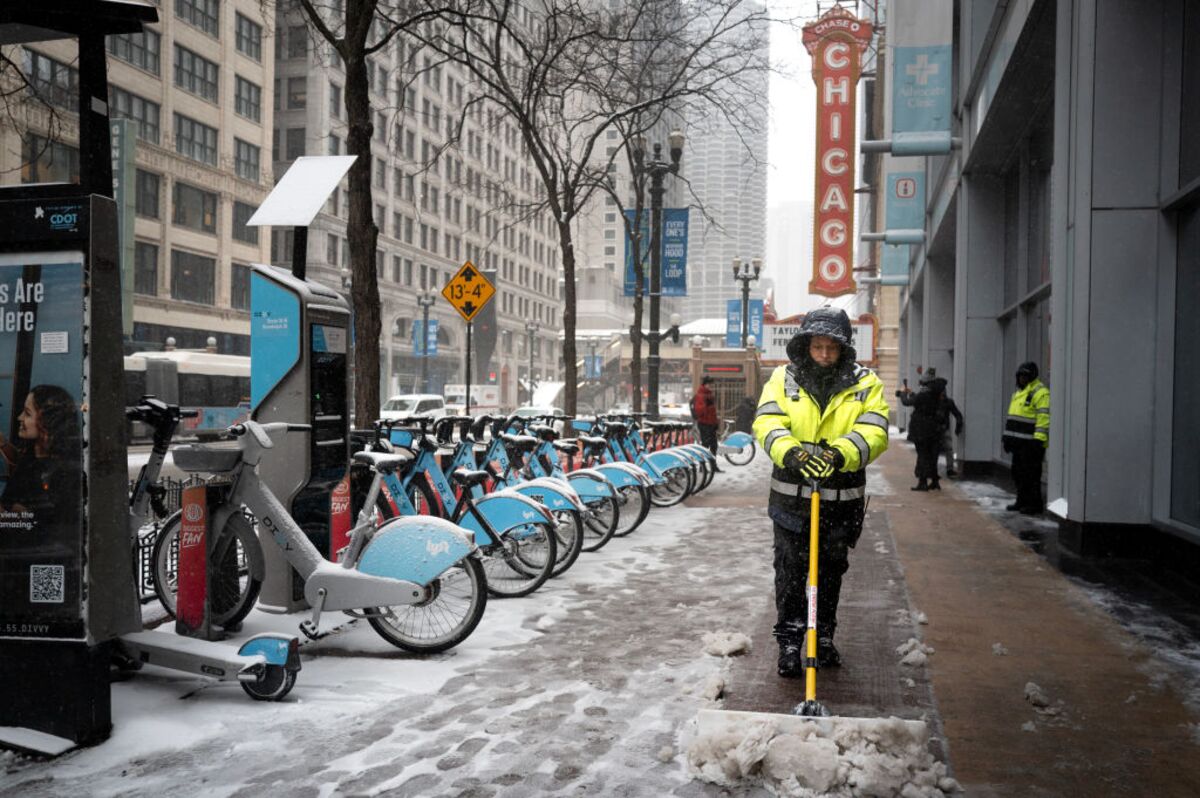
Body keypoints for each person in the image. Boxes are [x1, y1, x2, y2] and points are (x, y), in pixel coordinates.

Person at [752, 307, 889, 677]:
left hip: (841, 504)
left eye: (832, 347)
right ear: (806, 346)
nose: (825, 355)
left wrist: (841, 453)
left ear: (844, 348)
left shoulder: (866, 383)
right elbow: (766, 421)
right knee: (791, 572)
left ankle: (822, 636)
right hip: (790, 502)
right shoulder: (783, 379)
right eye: (818, 347)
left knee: (830, 573)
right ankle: (791, 641)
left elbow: (876, 430)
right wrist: (791, 452)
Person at [0, 385, 83, 532]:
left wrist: (24, 515)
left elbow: (59, 524)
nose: (20, 418)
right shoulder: (29, 459)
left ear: (46, 421)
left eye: (27, 413)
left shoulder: (66, 471)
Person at [1002, 361, 1049, 514]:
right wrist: (1007, 438)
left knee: (1032, 475)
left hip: (1031, 444)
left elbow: (1044, 418)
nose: (1022, 378)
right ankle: (1021, 500)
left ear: (1032, 376)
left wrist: (1039, 440)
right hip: (1018, 444)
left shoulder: (1040, 392)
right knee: (1018, 473)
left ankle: (1034, 504)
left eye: (1025, 376)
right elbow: (1012, 418)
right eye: (1020, 375)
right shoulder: (1017, 394)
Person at [898, 374, 946, 491]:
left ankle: (922, 482)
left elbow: (907, 402)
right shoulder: (935, 395)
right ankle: (935, 481)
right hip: (933, 430)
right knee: (932, 456)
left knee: (923, 455)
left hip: (921, 430)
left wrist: (903, 393)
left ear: (924, 384)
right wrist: (912, 393)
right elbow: (920, 401)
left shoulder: (923, 395)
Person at [936, 378, 964, 477]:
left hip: (943, 428)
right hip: (935, 429)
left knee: (948, 448)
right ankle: (935, 470)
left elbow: (957, 414)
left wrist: (958, 425)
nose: (943, 393)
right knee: (936, 450)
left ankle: (950, 469)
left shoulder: (948, 402)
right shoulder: (934, 401)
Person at [691, 375, 719, 456]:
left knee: (713, 446)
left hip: (710, 424)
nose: (711, 387)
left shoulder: (709, 394)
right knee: (706, 446)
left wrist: (715, 423)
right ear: (705, 384)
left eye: (712, 385)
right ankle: (704, 466)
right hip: (705, 424)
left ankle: (712, 465)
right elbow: (700, 411)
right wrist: (707, 406)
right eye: (709, 385)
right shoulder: (701, 395)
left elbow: (712, 412)